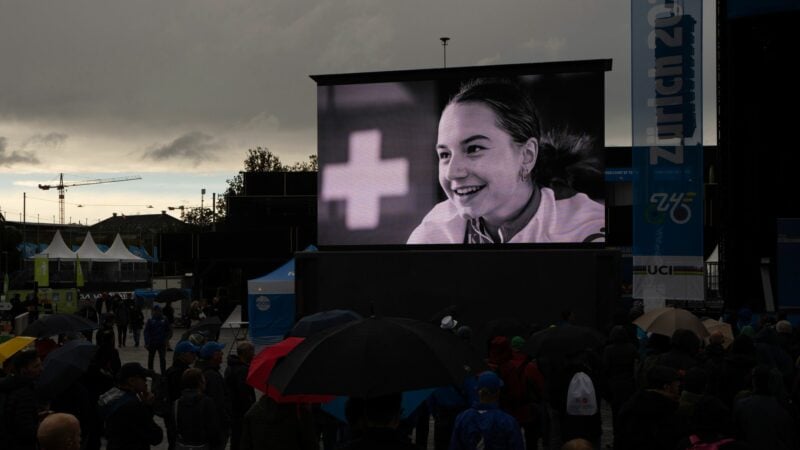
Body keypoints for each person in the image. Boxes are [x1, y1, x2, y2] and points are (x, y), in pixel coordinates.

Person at [408, 78, 605, 244]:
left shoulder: (587, 232)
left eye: (474, 148)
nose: (452, 172)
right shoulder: (435, 233)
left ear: (527, 156)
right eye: (445, 155)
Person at [449, 371, 524, 450]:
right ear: (498, 392)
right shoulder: (508, 422)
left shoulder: (462, 418)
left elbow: (455, 446)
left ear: (477, 391)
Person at [97, 362, 163, 450]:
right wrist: (147, 407)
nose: (146, 381)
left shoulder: (111, 396)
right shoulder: (133, 406)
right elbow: (155, 437)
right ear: (131, 381)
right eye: (143, 378)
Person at [0, 349, 45, 450]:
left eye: (40, 364)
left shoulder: (8, 385)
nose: (41, 369)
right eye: (36, 366)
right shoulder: (24, 393)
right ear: (23, 371)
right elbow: (26, 429)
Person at [174, 368, 221, 450]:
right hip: (201, 445)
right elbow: (213, 429)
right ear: (199, 383)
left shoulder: (177, 403)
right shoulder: (207, 402)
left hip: (183, 445)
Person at [224, 342, 256, 450]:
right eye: (252, 352)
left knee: (236, 438)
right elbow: (244, 393)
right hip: (241, 411)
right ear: (247, 354)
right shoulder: (242, 370)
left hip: (233, 409)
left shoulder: (231, 366)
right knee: (241, 438)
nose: (254, 355)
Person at [144, 305, 171, 374]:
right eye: (155, 311)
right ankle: (150, 372)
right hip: (152, 342)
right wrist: (147, 342)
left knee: (162, 359)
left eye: (159, 311)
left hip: (161, 342)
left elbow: (168, 330)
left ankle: (163, 373)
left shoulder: (164, 319)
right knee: (151, 358)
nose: (157, 312)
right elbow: (146, 332)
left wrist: (167, 339)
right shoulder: (150, 320)